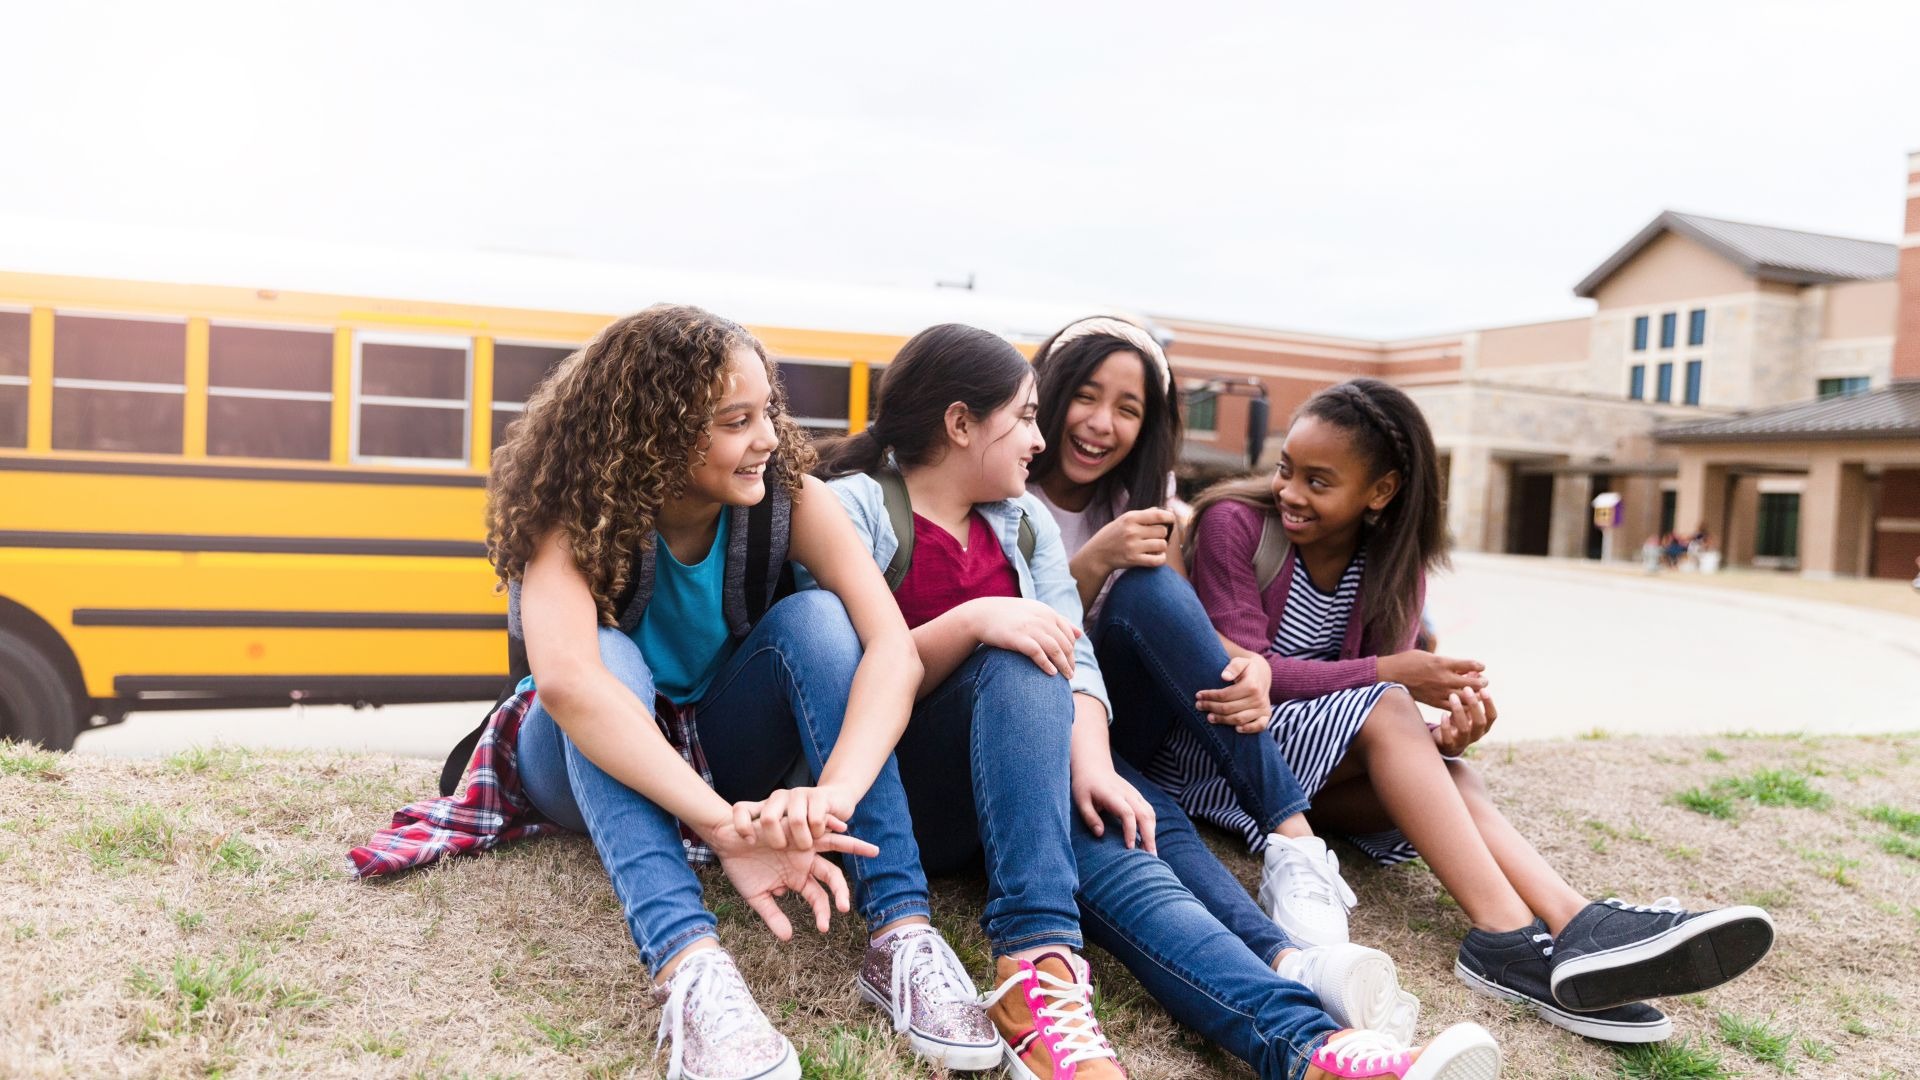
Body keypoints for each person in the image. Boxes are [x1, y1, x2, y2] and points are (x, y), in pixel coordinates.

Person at [814, 325, 1504, 1080]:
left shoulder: (1024, 521)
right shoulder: (853, 509)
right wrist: (978, 620)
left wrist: (1094, 767)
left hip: (1016, 791)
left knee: (1128, 838)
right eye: (1026, 418)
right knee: (1020, 653)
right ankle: (1035, 972)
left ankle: (1312, 1047)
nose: (1039, 440)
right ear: (959, 424)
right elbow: (840, 679)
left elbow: (1076, 657)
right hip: (905, 798)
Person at [378, 306, 1000, 1080]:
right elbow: (569, 688)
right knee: (606, 660)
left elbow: (892, 651)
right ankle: (690, 966)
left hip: (714, 742)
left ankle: (901, 935)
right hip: (571, 754)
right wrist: (720, 826)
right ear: (657, 432)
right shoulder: (571, 518)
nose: (767, 438)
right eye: (736, 421)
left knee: (818, 619)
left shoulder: (790, 501)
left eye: (767, 411)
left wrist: (833, 794)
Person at [1184, 377, 1777, 1044]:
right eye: (1287, 469)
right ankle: (1504, 933)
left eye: (1318, 481)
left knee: (1453, 769)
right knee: (1391, 706)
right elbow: (1242, 671)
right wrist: (1389, 672)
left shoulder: (1392, 563)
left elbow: (1371, 718)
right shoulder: (1236, 525)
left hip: (1312, 779)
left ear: (1380, 491)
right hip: (1229, 756)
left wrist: (1441, 739)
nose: (1290, 492)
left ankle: (1575, 925)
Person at [1024, 315, 1391, 968]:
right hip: (1036, 715)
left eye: (1127, 409)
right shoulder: (1007, 484)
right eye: (1085, 396)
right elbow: (1016, 637)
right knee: (1153, 814)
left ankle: (1293, 841)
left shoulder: (1139, 498)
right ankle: (1287, 959)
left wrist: (1250, 666)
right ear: (1047, 394)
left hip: (1119, 717)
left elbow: (1176, 621)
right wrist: (1093, 561)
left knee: (1150, 586)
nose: (1102, 423)